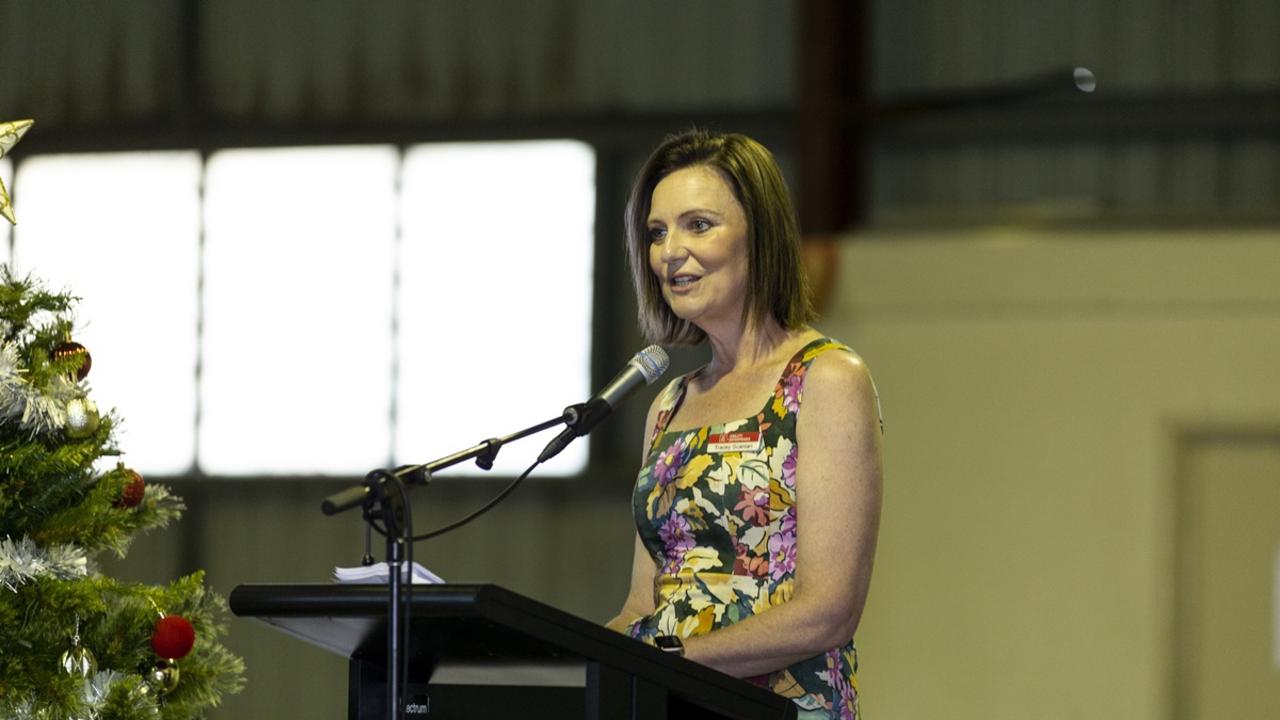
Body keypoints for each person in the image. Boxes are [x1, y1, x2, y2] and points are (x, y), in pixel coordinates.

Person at [604, 129, 884, 720]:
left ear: (760, 236)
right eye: (656, 233)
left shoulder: (825, 380)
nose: (669, 252)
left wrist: (674, 657)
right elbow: (640, 606)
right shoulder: (668, 407)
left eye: (697, 225)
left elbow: (829, 609)